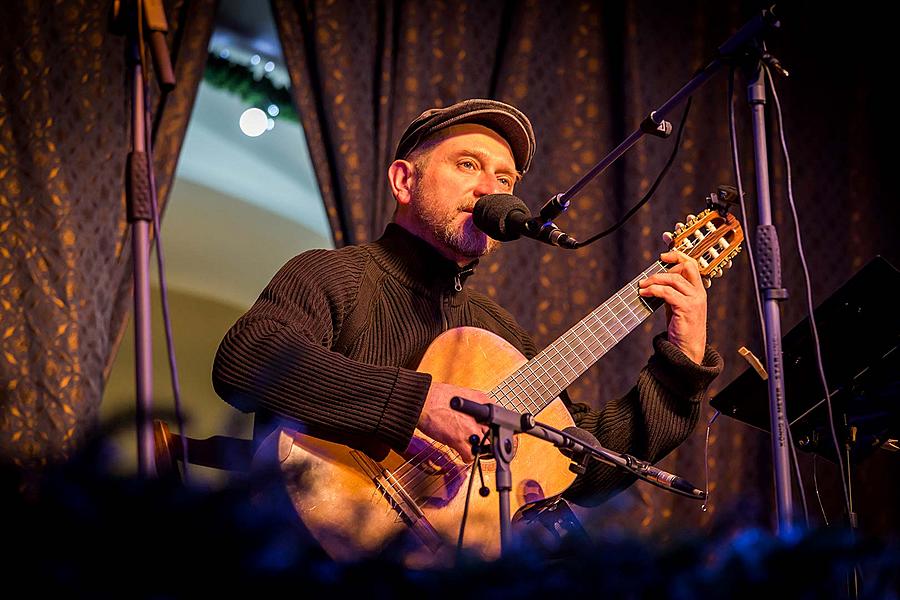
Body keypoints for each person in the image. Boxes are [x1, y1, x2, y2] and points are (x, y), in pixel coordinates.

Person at [212, 98, 723, 545]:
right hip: (303, 554)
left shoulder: (494, 328)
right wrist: (418, 403)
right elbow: (245, 360)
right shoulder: (334, 274)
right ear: (404, 181)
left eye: (504, 178)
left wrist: (683, 362)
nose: (490, 190)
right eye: (467, 164)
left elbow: (584, 466)